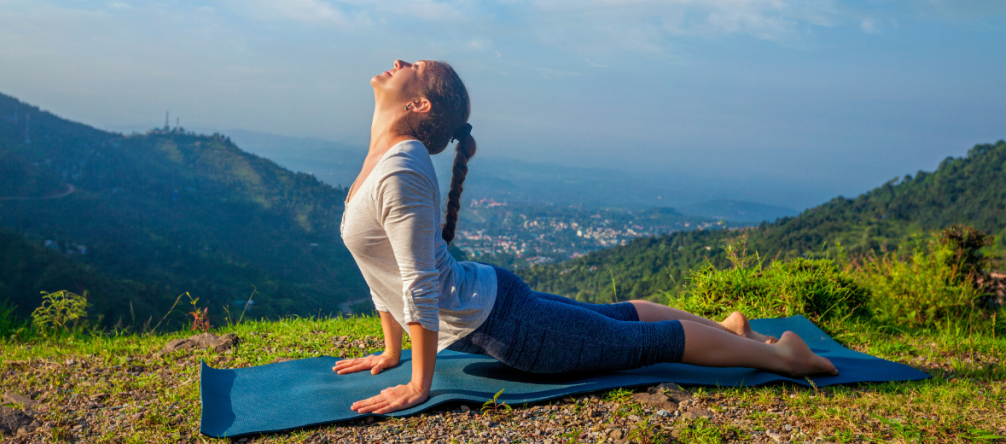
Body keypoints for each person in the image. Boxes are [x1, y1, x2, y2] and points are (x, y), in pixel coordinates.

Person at [332, 59, 838, 415]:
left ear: (418, 102)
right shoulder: (386, 161)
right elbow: (383, 268)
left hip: (510, 327)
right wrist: (392, 352)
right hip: (496, 304)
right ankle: (731, 329)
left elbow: (418, 280)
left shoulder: (403, 166)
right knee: (619, 317)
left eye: (412, 66)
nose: (398, 62)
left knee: (643, 342)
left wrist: (418, 384)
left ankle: (782, 357)